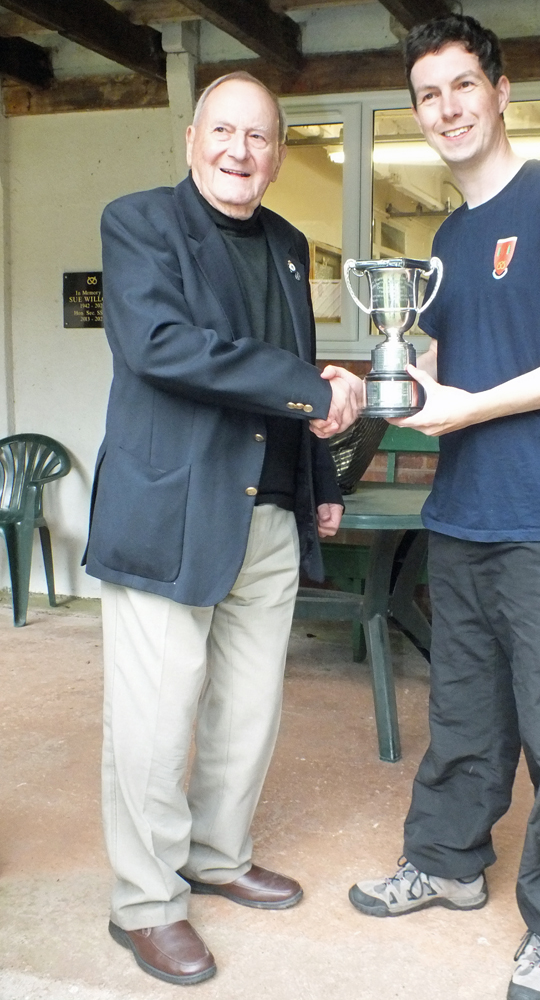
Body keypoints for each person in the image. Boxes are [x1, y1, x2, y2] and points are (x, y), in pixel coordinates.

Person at [348, 15, 540, 1000]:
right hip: (465, 513)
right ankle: (444, 861)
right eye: (428, 94)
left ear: (502, 88)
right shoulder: (449, 235)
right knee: (465, 715)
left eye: (463, 85)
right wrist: (362, 389)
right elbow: (439, 372)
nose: (447, 107)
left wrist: (474, 405)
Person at [85, 71, 362, 986]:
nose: (241, 151)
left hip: (269, 511)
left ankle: (215, 855)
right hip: (170, 511)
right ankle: (146, 904)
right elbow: (160, 347)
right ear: (193, 137)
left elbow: (288, 365)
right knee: (155, 724)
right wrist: (312, 389)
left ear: (277, 156)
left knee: (247, 711)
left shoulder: (286, 242)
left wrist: (318, 472)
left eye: (259, 138)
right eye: (225, 132)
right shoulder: (138, 223)